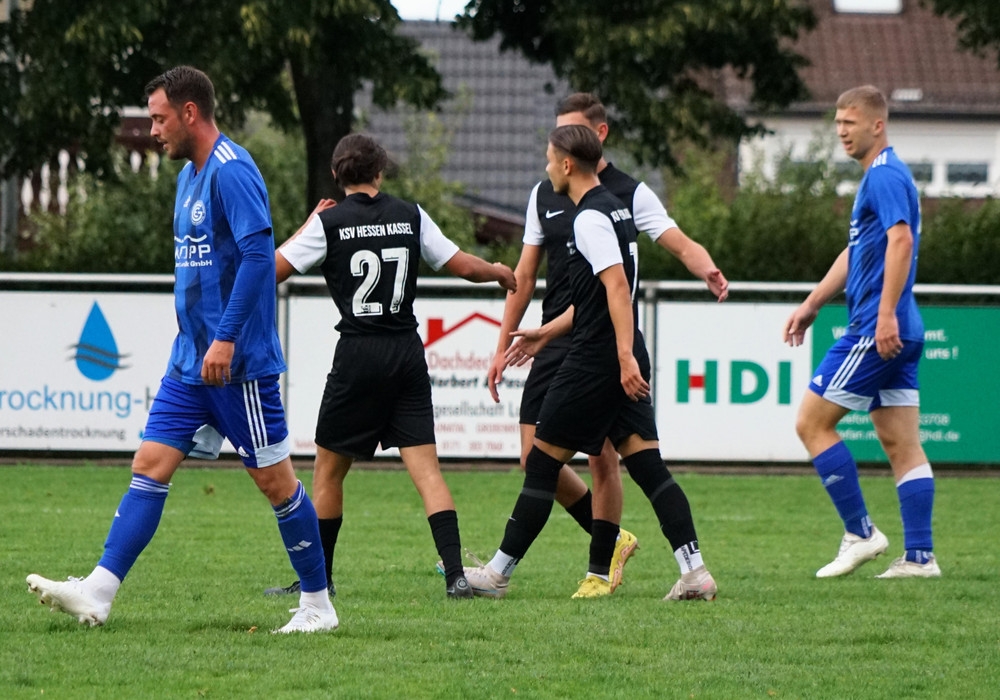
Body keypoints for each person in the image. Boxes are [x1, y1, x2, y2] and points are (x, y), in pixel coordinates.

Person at [26, 66, 338, 633]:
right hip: (189, 362)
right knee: (150, 465)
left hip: (238, 365)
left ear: (189, 113)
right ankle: (99, 592)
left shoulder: (232, 170)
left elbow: (256, 259)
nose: (152, 130)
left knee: (276, 484)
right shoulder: (188, 177)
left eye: (159, 118)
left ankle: (318, 606)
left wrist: (226, 338)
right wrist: (201, 344)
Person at [486, 93, 728, 598]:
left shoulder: (590, 218)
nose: (545, 168)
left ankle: (497, 575)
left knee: (542, 462)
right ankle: (695, 572)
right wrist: (549, 332)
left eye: (550, 159)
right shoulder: (615, 210)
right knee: (648, 467)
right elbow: (600, 295)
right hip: (615, 351)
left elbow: (617, 289)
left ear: (567, 164)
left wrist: (619, 357)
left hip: (596, 359)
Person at [265, 133, 517, 600]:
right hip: (405, 353)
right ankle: (457, 577)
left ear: (337, 176)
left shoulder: (329, 224)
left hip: (358, 354)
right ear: (380, 173)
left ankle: (319, 582)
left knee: (328, 473)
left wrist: (305, 227)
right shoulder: (411, 215)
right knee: (427, 472)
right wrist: (498, 271)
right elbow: (462, 265)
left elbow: (269, 271)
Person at [783, 85, 938, 579]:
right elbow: (857, 253)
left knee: (811, 423)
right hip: (901, 327)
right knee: (900, 443)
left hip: (876, 327)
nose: (841, 132)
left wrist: (885, 313)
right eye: (837, 123)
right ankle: (920, 558)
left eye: (849, 123)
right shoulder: (881, 175)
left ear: (877, 124)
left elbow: (901, 240)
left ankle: (861, 533)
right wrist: (813, 303)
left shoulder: (885, 174)